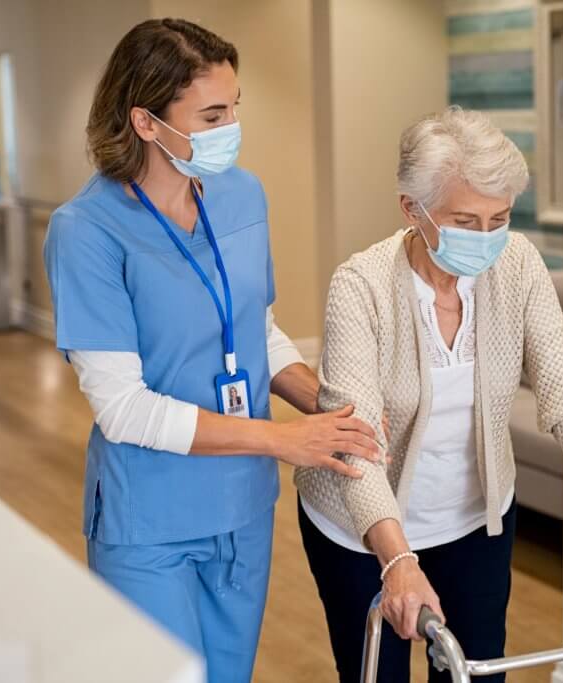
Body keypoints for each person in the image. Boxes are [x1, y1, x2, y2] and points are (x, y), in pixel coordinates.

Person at [295, 107, 563, 683]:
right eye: (466, 220)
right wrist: (397, 558)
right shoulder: (360, 285)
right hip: (361, 532)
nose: (487, 239)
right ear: (410, 208)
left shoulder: (516, 264)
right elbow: (355, 443)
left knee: (477, 673)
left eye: (501, 218)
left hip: (473, 520)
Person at [43, 18, 380, 682]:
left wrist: (331, 408)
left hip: (242, 508)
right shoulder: (85, 232)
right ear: (145, 121)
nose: (232, 127)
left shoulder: (241, 195)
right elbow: (124, 409)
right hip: (150, 523)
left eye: (235, 108)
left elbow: (255, 327)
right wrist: (283, 439)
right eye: (212, 113)